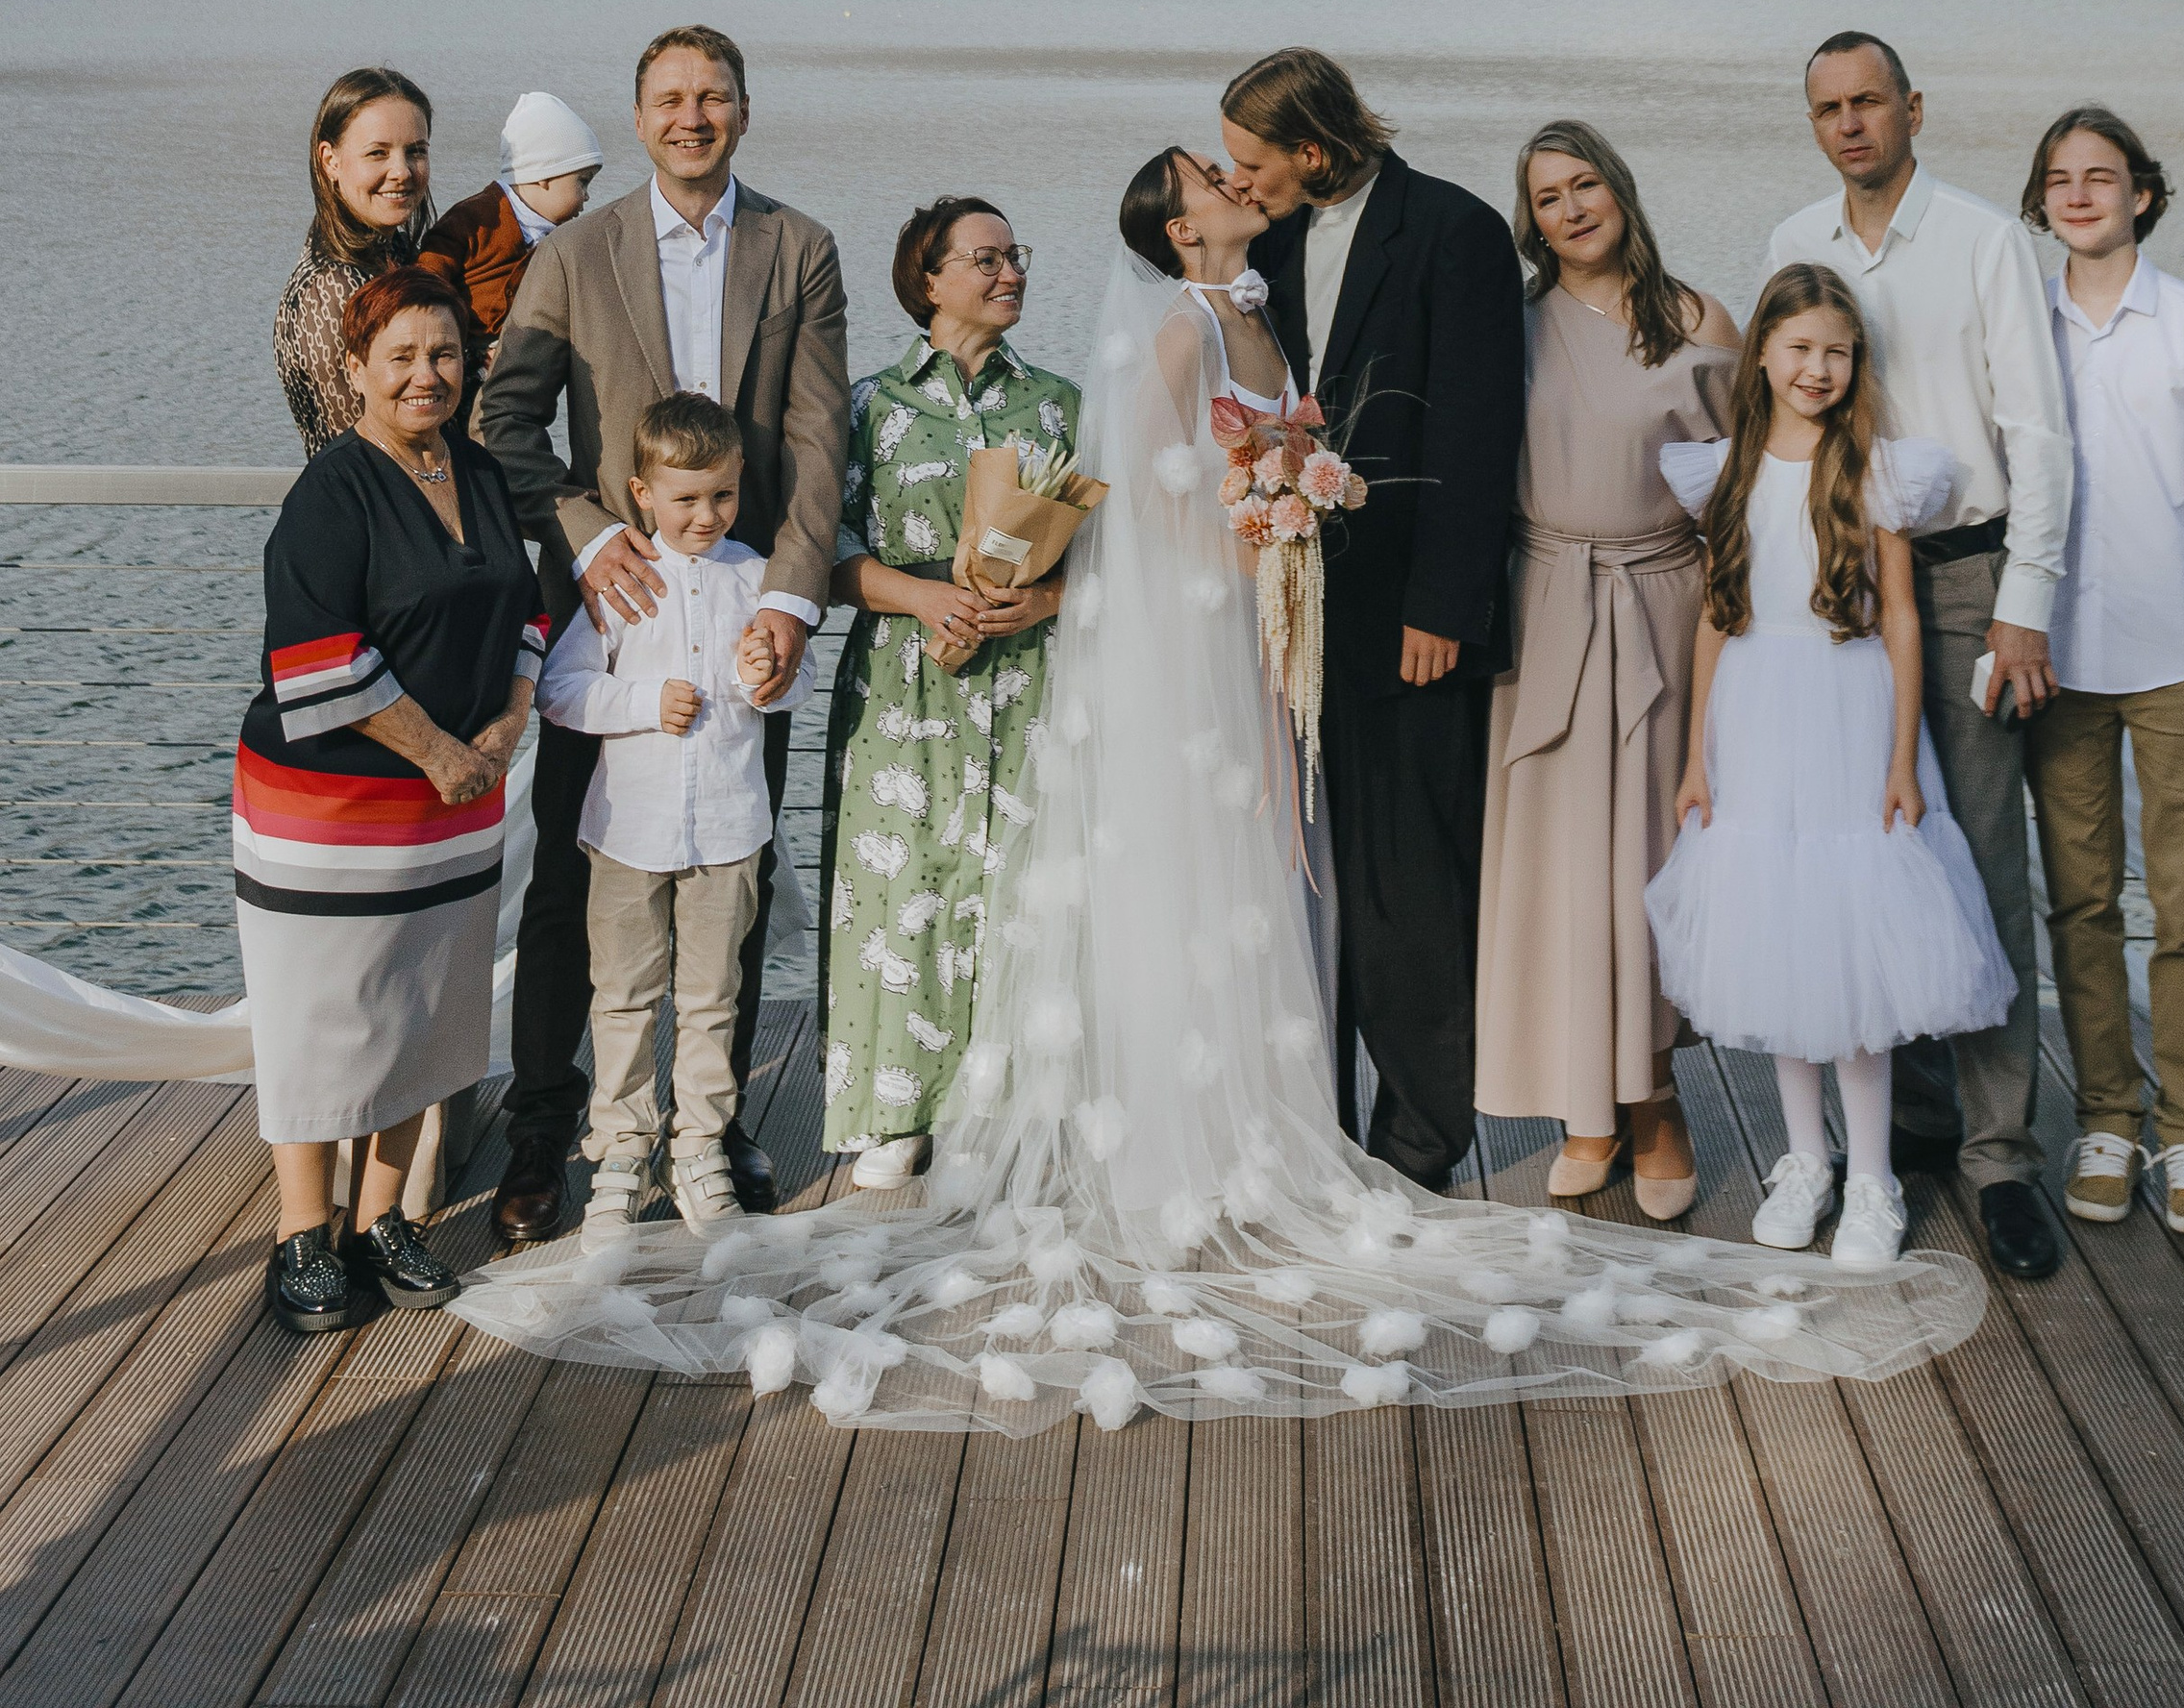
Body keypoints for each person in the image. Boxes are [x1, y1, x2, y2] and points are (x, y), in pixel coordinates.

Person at [456, 195, 1992, 1414]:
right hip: (1123, 646)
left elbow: (1185, 478)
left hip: (1249, 633)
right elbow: (1146, 487)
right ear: (1177, 229)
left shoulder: (1240, 320)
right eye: (1209, 185)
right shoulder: (1171, 330)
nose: (1232, 190)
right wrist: (1238, 512)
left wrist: (1284, 498)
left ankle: (1258, 1118)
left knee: (1262, 869)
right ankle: (950, 1131)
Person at [481, 24, 850, 1247]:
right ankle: (549, 1130)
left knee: (726, 884)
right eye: (669, 99)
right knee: (567, 889)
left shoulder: (800, 248)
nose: (692, 117)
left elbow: (814, 448)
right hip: (615, 612)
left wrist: (791, 605)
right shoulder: (580, 251)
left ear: (744, 109)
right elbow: (508, 423)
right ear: (638, 116)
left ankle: (714, 1125)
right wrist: (589, 539)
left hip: (746, 625)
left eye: (714, 96)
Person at [1767, 33, 2072, 1282]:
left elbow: (2041, 432)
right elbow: (1772, 414)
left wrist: (2027, 604)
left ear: (1914, 109)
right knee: (1859, 864)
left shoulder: (1987, 241)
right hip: (1833, 593)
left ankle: (2001, 1158)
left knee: (1983, 863)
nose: (1851, 124)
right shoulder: (1798, 239)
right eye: (1829, 108)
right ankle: (1907, 1132)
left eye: (1870, 103)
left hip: (1961, 583)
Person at [1649, 266, 2016, 1274]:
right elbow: (1719, 618)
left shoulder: (1873, 469)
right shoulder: (1724, 471)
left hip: (1850, 718)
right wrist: (1693, 757)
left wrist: (1902, 756)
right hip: (1754, 722)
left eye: (1837, 351)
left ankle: (1871, 1177)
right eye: (1800, 347)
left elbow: (1898, 616)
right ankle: (1803, 1160)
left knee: (1848, 947)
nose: (1817, 368)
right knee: (1777, 943)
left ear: (1855, 364)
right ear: (1762, 350)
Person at [1225, 49, 1526, 1192]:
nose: (1237, 179)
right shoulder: (1270, 243)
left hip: (1410, 618)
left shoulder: (1453, 229)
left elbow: (1477, 426)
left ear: (1313, 148)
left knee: (1412, 879)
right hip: (1293, 613)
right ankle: (1321, 1118)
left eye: (1253, 159)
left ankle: (1419, 1137)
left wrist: (1444, 605)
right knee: (1311, 880)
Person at [238, 265, 544, 1334]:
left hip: (457, 792)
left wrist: (505, 728)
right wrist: (437, 750)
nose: (427, 373)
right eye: (403, 355)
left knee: (428, 1002)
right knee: (324, 1017)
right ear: (356, 368)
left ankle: (381, 1222)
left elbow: (524, 606)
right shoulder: (333, 489)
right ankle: (300, 1234)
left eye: (446, 352)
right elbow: (315, 653)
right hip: (326, 805)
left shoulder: (481, 470)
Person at [1478, 123, 1739, 1210]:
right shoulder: (1513, 329)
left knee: (1645, 865)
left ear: (1619, 189)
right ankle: (1584, 1106)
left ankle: (1656, 1098)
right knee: (1556, 871)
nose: (1572, 207)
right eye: (1547, 196)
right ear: (1530, 220)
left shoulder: (1698, 320)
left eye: (1585, 182)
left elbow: (1739, 502)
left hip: (1663, 607)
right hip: (1541, 608)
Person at [2022, 106, 2184, 1239]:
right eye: (2058, 179)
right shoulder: (2022, 329)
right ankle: (2107, 1118)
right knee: (2077, 901)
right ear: (2041, 202)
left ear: (2140, 195)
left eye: (2099, 176)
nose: (2078, 194)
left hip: (2177, 657)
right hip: (2058, 659)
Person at [821, 197, 1080, 1188]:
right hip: (905, 681)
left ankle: (1016, 1103)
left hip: (1026, 680)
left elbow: (1105, 553)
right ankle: (899, 1111)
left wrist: (1046, 598)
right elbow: (830, 552)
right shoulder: (869, 407)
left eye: (1018, 254)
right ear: (929, 279)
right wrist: (922, 594)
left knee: (1021, 884)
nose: (1010, 271)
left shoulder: (1056, 403)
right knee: (905, 885)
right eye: (987, 258)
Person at [538, 392, 819, 1237]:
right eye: (687, 497)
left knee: (712, 996)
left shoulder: (756, 575)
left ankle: (699, 1146)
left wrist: (769, 673)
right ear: (643, 493)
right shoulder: (625, 581)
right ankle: (621, 1149)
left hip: (730, 827)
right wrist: (640, 701)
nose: (707, 515)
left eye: (722, 496)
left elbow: (790, 686)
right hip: (629, 828)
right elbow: (560, 688)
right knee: (622, 995)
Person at [275, 68, 434, 452]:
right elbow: (365, 455)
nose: (401, 171)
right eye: (377, 153)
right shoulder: (329, 289)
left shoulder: (392, 253)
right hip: (372, 509)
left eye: (416, 151)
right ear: (330, 160)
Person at [420, 91, 604, 367]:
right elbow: (428, 277)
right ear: (544, 176)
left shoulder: (558, 240)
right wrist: (454, 339)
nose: (586, 197)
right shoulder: (478, 218)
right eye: (583, 182)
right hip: (455, 350)